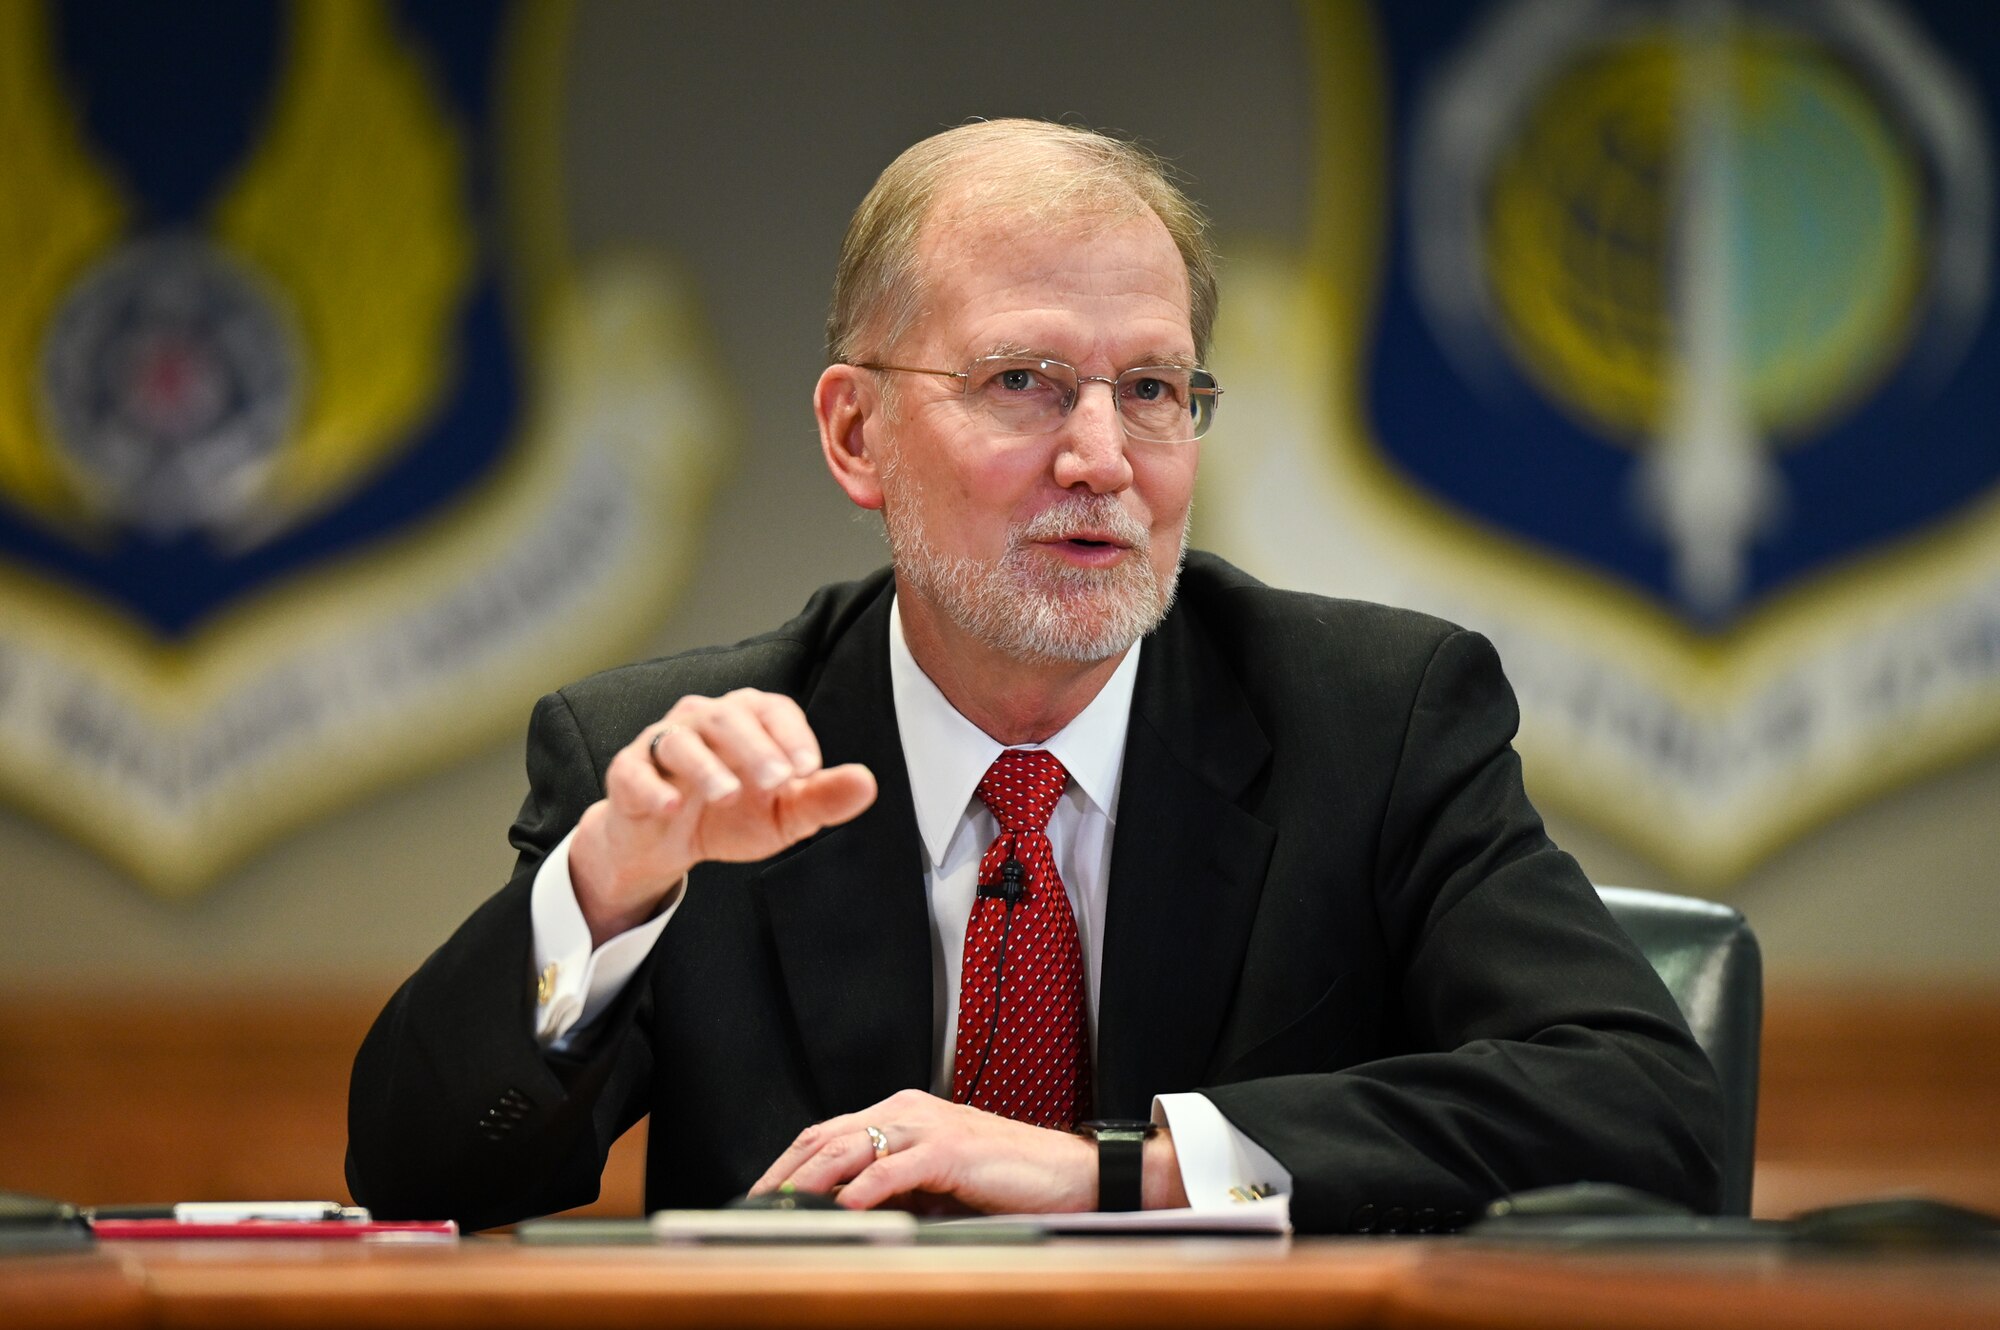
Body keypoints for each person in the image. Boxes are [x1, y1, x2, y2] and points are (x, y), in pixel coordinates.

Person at [346, 119, 1722, 1234]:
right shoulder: (674, 769)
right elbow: (415, 1169)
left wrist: (1121, 1169)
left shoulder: (1374, 720)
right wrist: (602, 891)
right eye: (1023, 380)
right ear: (856, 434)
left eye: (1153, 389)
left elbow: (1650, 1108)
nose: (1103, 459)